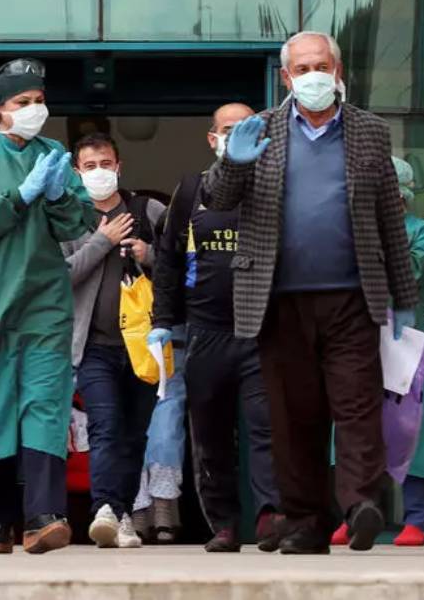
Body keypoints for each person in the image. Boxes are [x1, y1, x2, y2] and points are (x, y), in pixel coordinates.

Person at [205, 31, 417, 555]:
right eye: (302, 69)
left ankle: (361, 504)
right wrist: (234, 161)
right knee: (293, 417)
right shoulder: (260, 129)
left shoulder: (370, 130)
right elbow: (217, 198)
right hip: (278, 299)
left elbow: (389, 213)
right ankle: (306, 522)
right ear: (286, 78)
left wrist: (405, 297)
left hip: (351, 295)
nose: (313, 76)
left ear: (338, 71)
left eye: (321, 66)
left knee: (357, 405)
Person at [0, 58, 97, 555]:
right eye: (22, 102)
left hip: (42, 301)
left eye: (39, 100)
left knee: (45, 404)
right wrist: (21, 195)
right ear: (0, 109)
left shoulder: (53, 154)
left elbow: (77, 222)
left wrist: (56, 197)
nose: (35, 109)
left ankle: (43, 517)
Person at [149, 103, 281, 553]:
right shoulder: (192, 190)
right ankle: (223, 524)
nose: (235, 136)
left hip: (262, 331)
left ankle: (270, 516)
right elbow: (168, 261)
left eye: (246, 128)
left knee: (266, 428)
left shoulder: (274, 189)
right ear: (212, 139)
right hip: (205, 332)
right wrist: (162, 320)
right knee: (210, 436)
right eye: (227, 129)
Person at [333, 156, 424, 547]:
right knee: (357, 423)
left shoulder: (423, 231)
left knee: (413, 426)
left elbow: (411, 272)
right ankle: (355, 512)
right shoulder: (352, 232)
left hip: (409, 338)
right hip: (361, 336)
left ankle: (416, 519)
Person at [61, 132, 165, 549]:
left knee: (134, 434)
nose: (99, 172)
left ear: (119, 166)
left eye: (105, 164)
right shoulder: (69, 217)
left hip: (143, 346)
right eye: (90, 166)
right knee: (105, 428)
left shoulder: (149, 210)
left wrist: (148, 254)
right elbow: (61, 275)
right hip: (94, 348)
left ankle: (121, 515)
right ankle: (105, 508)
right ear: (77, 172)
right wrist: (101, 241)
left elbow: (182, 264)